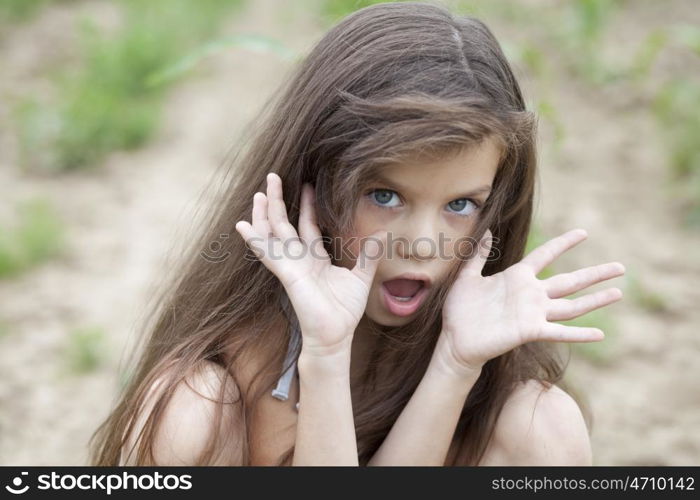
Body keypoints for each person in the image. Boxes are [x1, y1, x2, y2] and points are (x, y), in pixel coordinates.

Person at [88, 1, 625, 466]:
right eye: (384, 196)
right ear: (312, 184)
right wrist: (325, 353)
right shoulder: (228, 384)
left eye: (461, 205)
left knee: (545, 422)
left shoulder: (477, 349)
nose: (421, 242)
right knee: (189, 411)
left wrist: (455, 365)